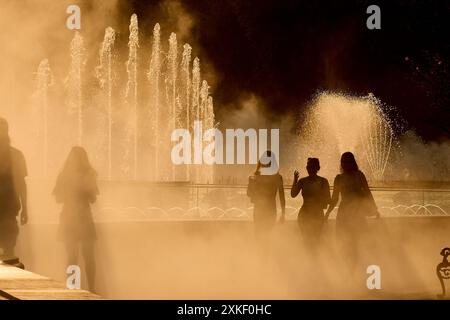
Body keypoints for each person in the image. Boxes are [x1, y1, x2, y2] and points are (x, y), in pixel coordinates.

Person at [53, 146, 99, 292]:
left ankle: (89, 288)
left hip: (80, 216)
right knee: (74, 256)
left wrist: (84, 188)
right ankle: (75, 288)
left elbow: (93, 198)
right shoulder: (65, 175)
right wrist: (71, 190)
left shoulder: (88, 175)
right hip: (71, 217)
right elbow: (58, 198)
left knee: (86, 256)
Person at [325, 152, 379, 270]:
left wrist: (374, 209)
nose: (346, 164)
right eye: (344, 161)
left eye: (348, 161)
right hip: (344, 214)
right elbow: (334, 199)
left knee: (358, 242)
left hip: (357, 213)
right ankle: (349, 269)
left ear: (353, 162)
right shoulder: (338, 178)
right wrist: (327, 213)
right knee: (344, 243)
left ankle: (356, 268)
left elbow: (367, 192)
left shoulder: (359, 175)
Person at [0, 117, 28, 260]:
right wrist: (25, 208)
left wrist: (25, 208)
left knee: (9, 251)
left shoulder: (16, 155)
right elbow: (21, 184)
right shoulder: (16, 155)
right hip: (10, 208)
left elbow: (21, 184)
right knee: (9, 251)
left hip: (9, 209)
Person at [247, 151, 285, 252]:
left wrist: (253, 187)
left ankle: (261, 258)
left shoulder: (256, 177)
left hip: (260, 209)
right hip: (270, 209)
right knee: (266, 235)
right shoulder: (277, 177)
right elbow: (282, 196)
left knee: (259, 234)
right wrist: (283, 213)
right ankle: (265, 258)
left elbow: (249, 194)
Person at [291, 158, 330, 253]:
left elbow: (328, 199)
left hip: (317, 214)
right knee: (306, 240)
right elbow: (293, 194)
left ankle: (313, 260)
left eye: (312, 167)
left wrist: (319, 201)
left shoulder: (323, 181)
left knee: (315, 240)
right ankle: (309, 260)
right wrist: (295, 180)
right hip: (304, 214)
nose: (309, 169)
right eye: (308, 167)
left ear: (317, 168)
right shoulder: (302, 181)